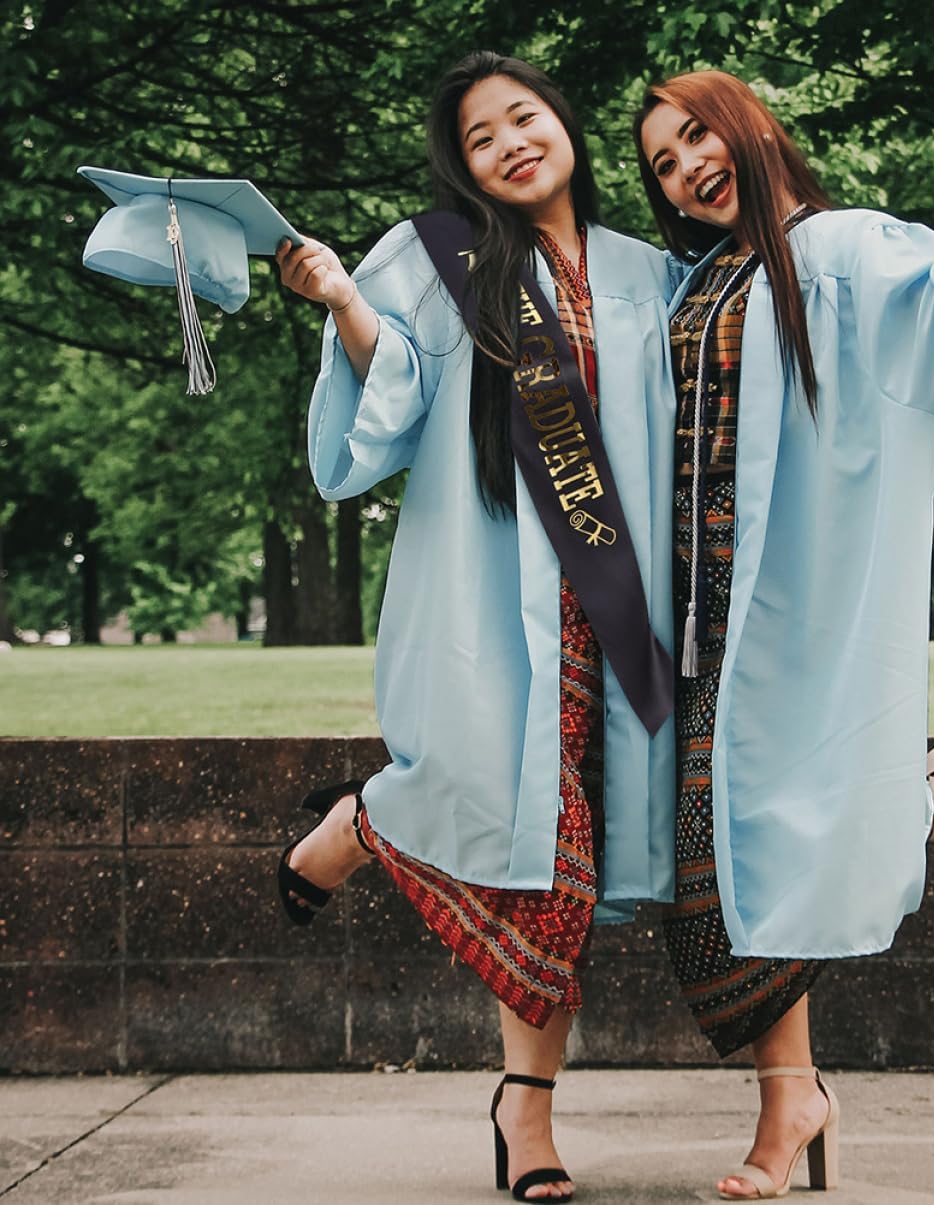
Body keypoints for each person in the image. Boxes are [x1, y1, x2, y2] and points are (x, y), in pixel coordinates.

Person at [635, 69, 934, 1199]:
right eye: (662, 164)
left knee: (782, 835)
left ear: (750, 127)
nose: (687, 169)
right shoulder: (693, 279)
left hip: (801, 590)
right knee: (721, 863)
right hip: (693, 614)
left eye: (697, 136)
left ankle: (789, 1095)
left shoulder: (846, 249)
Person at [275, 52, 680, 1202]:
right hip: (494, 602)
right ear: (461, 166)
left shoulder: (652, 272)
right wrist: (345, 301)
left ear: (564, 122)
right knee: (534, 861)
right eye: (479, 137)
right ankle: (527, 1111)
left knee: (558, 866)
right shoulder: (437, 259)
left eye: (522, 116)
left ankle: (365, 822)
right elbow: (392, 393)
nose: (509, 143)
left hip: (622, 614)